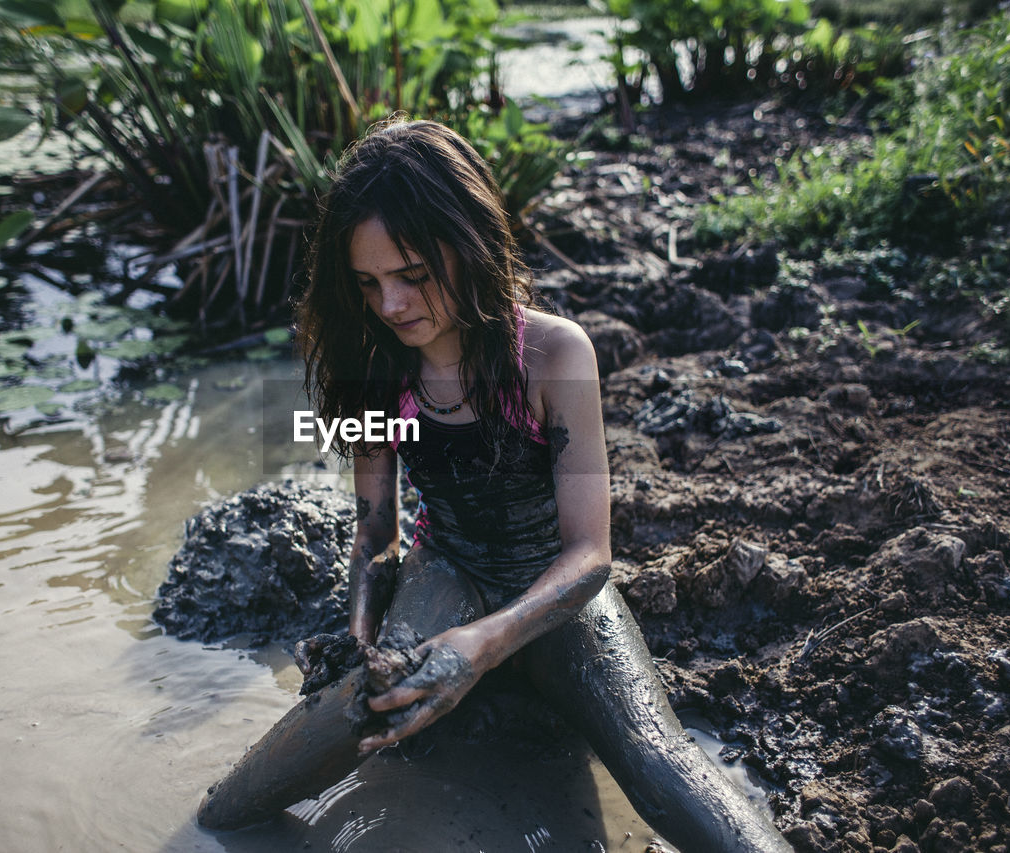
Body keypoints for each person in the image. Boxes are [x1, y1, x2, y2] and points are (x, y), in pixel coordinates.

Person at [196, 117, 792, 853]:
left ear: (469, 241)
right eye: (368, 283)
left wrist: (478, 648)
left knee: (653, 759)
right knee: (346, 713)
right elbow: (375, 531)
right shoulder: (377, 369)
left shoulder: (552, 353)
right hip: (444, 572)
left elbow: (590, 553)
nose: (391, 304)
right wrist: (357, 639)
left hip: (557, 589)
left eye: (411, 276)